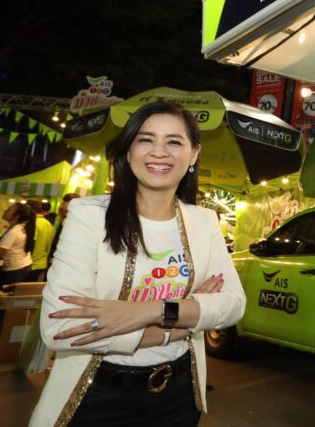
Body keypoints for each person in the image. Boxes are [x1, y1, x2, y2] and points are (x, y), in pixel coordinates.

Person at [30, 101, 246, 426]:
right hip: (99, 393)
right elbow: (60, 329)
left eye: (174, 141)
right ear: (128, 150)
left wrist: (147, 311)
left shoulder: (204, 221)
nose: (159, 152)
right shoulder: (89, 215)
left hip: (179, 394)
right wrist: (184, 321)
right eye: (145, 139)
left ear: (193, 154)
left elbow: (233, 305)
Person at [0, 202, 36, 289]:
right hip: (22, 266)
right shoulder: (18, 227)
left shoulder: (14, 231)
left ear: (17, 216)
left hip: (15, 270)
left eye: (9, 210)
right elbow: (3, 244)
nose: (5, 211)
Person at [46, 192, 80, 268]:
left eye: (63, 203)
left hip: (61, 258)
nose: (61, 205)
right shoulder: (63, 218)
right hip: (56, 255)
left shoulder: (72, 221)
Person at [25, 200, 56, 282]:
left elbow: (31, 243)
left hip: (30, 263)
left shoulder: (34, 223)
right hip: (42, 263)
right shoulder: (48, 223)